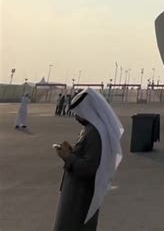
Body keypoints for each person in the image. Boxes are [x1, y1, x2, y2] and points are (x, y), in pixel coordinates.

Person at [53, 88, 123, 231]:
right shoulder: (90, 128)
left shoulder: (94, 133)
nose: (76, 117)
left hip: (80, 196)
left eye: (78, 113)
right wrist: (72, 151)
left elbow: (90, 168)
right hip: (76, 192)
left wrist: (68, 157)